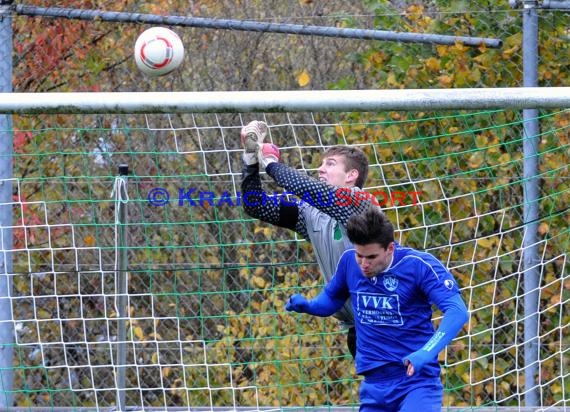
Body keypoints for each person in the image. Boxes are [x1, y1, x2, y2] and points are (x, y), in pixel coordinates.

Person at [285, 207, 469, 412]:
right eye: (359, 255)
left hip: (415, 381)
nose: (363, 264)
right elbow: (332, 297)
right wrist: (310, 306)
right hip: (374, 386)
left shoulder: (418, 265)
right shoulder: (348, 261)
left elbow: (457, 311)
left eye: (371, 257)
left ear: (390, 248)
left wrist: (427, 352)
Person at [240, 120, 373, 358]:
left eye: (330, 164)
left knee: (404, 390)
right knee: (378, 394)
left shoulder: (359, 203)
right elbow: (255, 205)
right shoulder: (310, 212)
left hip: (389, 324)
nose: (321, 169)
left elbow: (304, 187)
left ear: (352, 175)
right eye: (321, 164)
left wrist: (270, 162)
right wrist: (251, 159)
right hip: (358, 330)